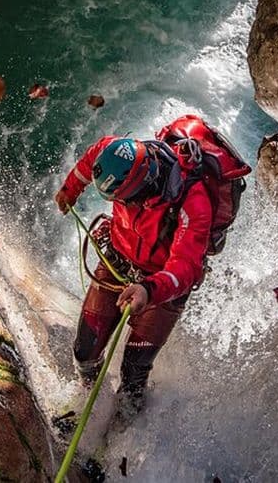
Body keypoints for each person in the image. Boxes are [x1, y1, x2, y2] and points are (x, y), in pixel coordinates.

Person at [54, 135, 213, 416]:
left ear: (143, 188)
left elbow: (186, 267)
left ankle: (121, 435)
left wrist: (148, 290)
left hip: (159, 286)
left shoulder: (193, 203)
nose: (120, 205)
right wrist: (71, 188)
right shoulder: (117, 150)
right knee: (84, 351)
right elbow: (94, 156)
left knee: (133, 375)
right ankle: (87, 404)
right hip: (118, 258)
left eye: (123, 199)